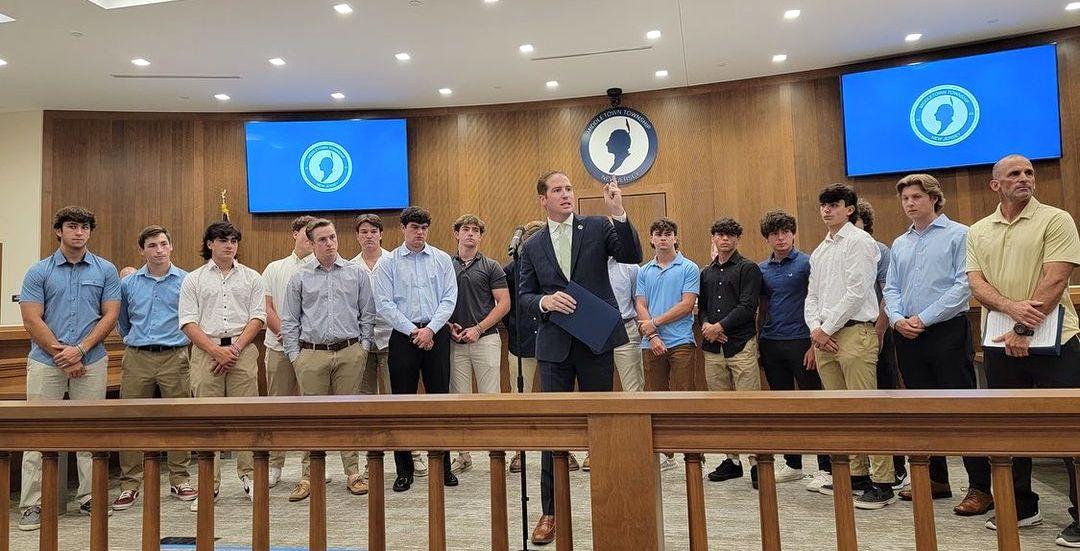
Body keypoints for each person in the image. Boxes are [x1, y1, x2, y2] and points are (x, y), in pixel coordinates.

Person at [518, 171, 641, 545]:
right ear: (543, 199)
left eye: (569, 188)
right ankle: (551, 512)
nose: (566, 194)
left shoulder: (597, 226)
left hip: (594, 341)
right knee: (553, 428)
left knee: (601, 426)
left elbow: (632, 254)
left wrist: (618, 210)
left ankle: (608, 504)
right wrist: (544, 301)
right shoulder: (532, 245)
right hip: (554, 346)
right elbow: (524, 296)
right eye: (557, 190)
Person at [966, 154, 1080, 546]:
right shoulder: (979, 230)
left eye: (1029, 172)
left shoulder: (1056, 219)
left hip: (1056, 342)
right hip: (999, 342)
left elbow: (1055, 278)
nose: (1024, 178)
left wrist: (1021, 324)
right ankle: (1021, 506)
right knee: (1010, 427)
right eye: (1014, 173)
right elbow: (976, 284)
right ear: (995, 184)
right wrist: (1011, 311)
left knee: (1068, 431)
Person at [883, 173, 992, 515]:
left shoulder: (960, 234)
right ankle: (936, 480)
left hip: (946, 331)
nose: (910, 203)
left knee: (960, 410)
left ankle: (979, 487)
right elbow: (891, 287)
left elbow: (964, 285)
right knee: (923, 409)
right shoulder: (900, 243)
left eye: (916, 196)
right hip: (907, 334)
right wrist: (899, 318)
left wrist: (924, 318)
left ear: (934, 198)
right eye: (905, 199)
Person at [18, 206, 120, 530]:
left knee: (91, 433)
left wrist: (80, 350)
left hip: (91, 360)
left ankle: (91, 497)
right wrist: (62, 353)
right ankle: (32, 505)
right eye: (72, 226)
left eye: (85, 227)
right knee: (37, 434)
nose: (79, 232)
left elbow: (110, 315)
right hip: (46, 362)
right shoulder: (39, 271)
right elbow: (31, 317)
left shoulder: (105, 270)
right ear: (59, 231)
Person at [805, 184, 895, 509]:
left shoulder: (861, 242)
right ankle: (857, 474)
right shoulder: (819, 250)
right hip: (823, 340)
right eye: (823, 205)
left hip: (854, 333)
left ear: (849, 209)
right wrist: (816, 329)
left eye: (834, 204)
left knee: (866, 410)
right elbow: (811, 296)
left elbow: (857, 292)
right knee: (841, 411)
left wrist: (825, 328)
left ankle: (882, 481)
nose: (827, 210)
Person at [281, 219, 375, 501]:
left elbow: (367, 314)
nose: (330, 243)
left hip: (350, 352)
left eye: (332, 237)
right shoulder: (299, 277)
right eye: (322, 239)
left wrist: (364, 347)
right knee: (312, 418)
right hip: (311, 354)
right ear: (311, 243)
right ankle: (309, 476)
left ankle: (353, 474)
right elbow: (289, 320)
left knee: (349, 416)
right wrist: (296, 357)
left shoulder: (356, 273)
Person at [178, 221, 266, 512]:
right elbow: (188, 321)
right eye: (223, 240)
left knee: (246, 416)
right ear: (210, 244)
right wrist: (215, 350)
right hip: (206, 351)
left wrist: (236, 348)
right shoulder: (193, 279)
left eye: (233, 240)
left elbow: (258, 317)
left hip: (243, 351)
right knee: (208, 419)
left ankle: (249, 476)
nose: (229, 245)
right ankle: (208, 484)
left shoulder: (252, 277)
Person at [373, 206, 459, 493]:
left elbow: (449, 299)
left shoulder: (442, 259)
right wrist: (414, 331)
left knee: (440, 403)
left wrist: (430, 330)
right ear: (403, 229)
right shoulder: (388, 263)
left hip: (436, 337)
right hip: (403, 337)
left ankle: (443, 467)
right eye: (414, 227)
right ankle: (404, 470)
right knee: (402, 405)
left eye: (423, 227)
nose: (419, 232)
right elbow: (384, 304)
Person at [112, 225, 196, 511]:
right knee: (132, 419)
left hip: (175, 356)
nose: (158, 250)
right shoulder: (129, 284)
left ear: (171, 247)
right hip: (137, 356)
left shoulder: (187, 281)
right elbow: (122, 322)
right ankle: (129, 484)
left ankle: (180, 479)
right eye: (152, 245)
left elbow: (192, 319)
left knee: (179, 418)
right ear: (142, 250)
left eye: (163, 244)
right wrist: (136, 342)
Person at [756, 210, 832, 491]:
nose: (780, 237)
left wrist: (815, 345)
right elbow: (762, 308)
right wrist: (759, 341)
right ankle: (793, 463)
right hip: (772, 341)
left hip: (803, 341)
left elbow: (819, 303)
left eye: (785, 232)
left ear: (793, 233)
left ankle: (826, 467)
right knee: (783, 406)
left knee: (815, 406)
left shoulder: (807, 263)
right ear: (768, 238)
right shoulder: (762, 269)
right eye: (774, 233)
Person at [352, 213, 428, 478]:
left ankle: (412, 454)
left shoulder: (394, 261)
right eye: (364, 232)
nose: (369, 236)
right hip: (362, 343)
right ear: (358, 236)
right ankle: (370, 458)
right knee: (366, 405)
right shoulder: (350, 266)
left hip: (393, 339)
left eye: (373, 231)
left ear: (381, 234)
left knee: (400, 402)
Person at [698, 218, 763, 488]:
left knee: (749, 407)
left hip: (741, 344)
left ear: (738, 239)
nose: (724, 239)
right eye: (720, 235)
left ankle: (757, 461)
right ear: (713, 238)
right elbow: (701, 305)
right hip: (713, 348)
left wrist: (720, 326)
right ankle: (731, 460)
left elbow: (749, 306)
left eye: (730, 235)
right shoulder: (706, 272)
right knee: (721, 407)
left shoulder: (748, 268)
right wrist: (706, 325)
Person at [447, 215, 510, 475]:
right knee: (459, 399)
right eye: (466, 229)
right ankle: (463, 455)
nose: (471, 234)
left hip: (485, 339)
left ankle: (497, 452)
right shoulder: (443, 264)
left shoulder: (492, 266)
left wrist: (479, 328)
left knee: (490, 398)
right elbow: (438, 300)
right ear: (456, 234)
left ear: (480, 237)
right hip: (454, 339)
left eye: (475, 230)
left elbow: (504, 303)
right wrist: (448, 325)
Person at [635, 217, 698, 473]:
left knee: (683, 398)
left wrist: (655, 324)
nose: (663, 238)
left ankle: (691, 452)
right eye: (658, 234)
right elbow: (640, 304)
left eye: (668, 233)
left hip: (681, 340)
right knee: (655, 398)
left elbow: (686, 305)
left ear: (675, 238)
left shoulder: (689, 267)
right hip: (651, 343)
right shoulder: (643, 271)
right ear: (651, 239)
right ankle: (665, 453)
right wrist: (652, 336)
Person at [853, 199, 908, 488]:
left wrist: (880, 330)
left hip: (878, 333)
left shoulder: (880, 250)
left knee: (885, 398)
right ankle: (861, 469)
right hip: (849, 338)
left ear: (865, 223)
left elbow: (888, 293)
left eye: (856, 220)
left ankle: (897, 466)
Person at [261, 215, 315, 489]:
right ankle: (275, 465)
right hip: (279, 346)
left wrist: (300, 336)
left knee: (310, 411)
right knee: (278, 408)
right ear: (295, 233)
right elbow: (266, 307)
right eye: (306, 233)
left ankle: (311, 467)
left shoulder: (322, 267)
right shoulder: (275, 268)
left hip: (310, 350)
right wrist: (286, 332)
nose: (311, 238)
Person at [503, 220, 545, 473]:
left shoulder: (559, 269)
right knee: (520, 397)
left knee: (558, 399)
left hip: (554, 341)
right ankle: (519, 451)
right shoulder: (511, 271)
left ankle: (565, 450)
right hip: (522, 343)